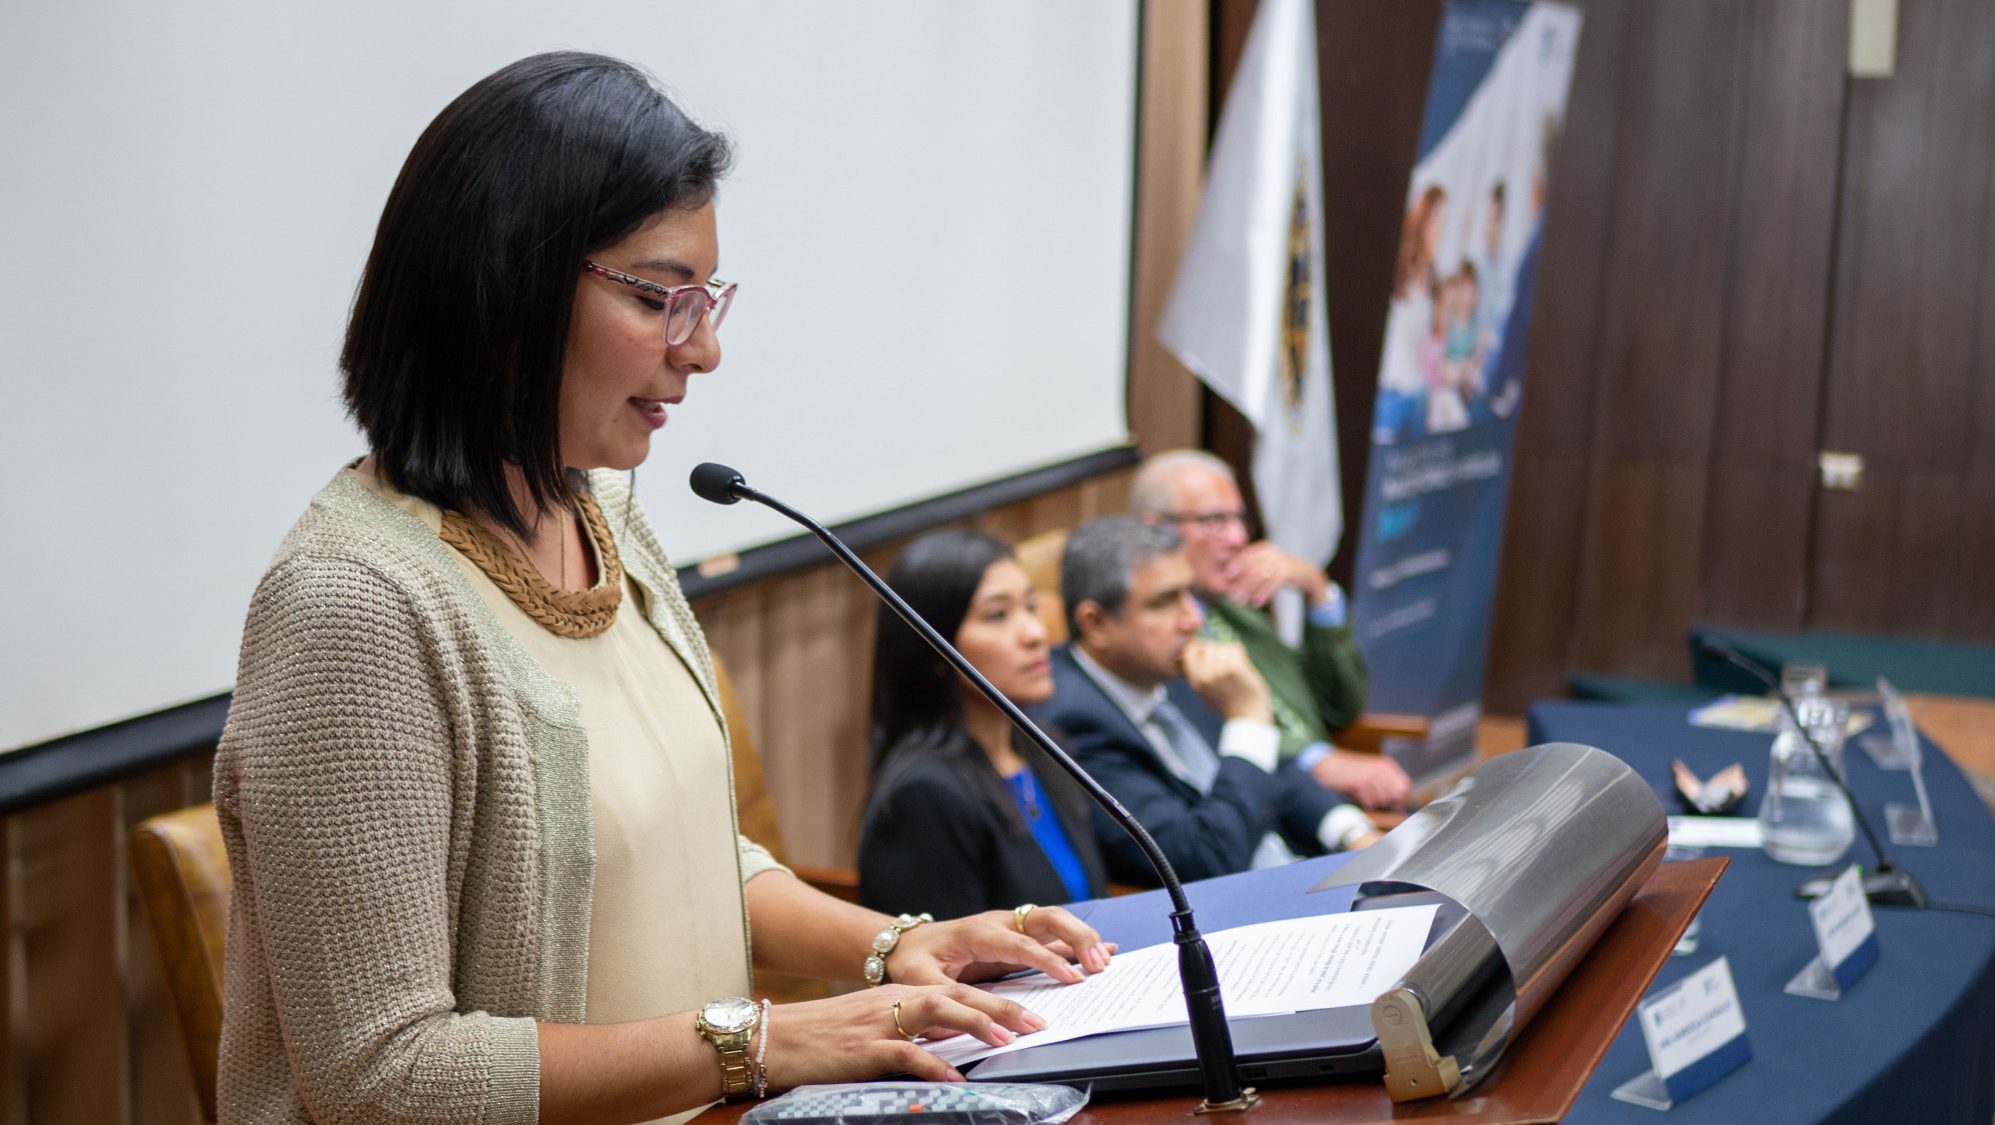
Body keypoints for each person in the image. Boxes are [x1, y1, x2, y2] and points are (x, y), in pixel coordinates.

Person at [213, 52, 1109, 1125]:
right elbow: (383, 1075)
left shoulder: (605, 514)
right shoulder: (356, 607)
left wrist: (895, 944)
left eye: (706, 299)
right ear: (502, 287)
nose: (705, 349)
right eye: (659, 298)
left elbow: (675, 858)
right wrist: (761, 1042)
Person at [1033, 518, 1381, 887]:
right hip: (1237, 904)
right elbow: (1204, 859)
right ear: (1096, 624)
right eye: (1165, 601)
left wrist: (1352, 833)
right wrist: (1249, 719)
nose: (1193, 618)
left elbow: (1273, 766)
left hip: (1306, 871)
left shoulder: (1167, 665)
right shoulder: (1068, 724)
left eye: (1190, 594)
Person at [1130, 451, 1411, 811]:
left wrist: (1317, 590)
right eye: (1214, 521)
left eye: (1239, 519)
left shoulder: (1237, 605)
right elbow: (1210, 738)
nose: (1237, 537)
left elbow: (1340, 707)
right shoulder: (1152, 641)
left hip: (1339, 804)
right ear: (1155, 530)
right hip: (1277, 811)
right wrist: (1318, 761)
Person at [859, 531, 1110, 919]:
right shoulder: (924, 796)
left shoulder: (1047, 746)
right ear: (933, 648)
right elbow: (946, 953)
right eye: (998, 615)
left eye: (1031, 606)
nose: (1036, 633)